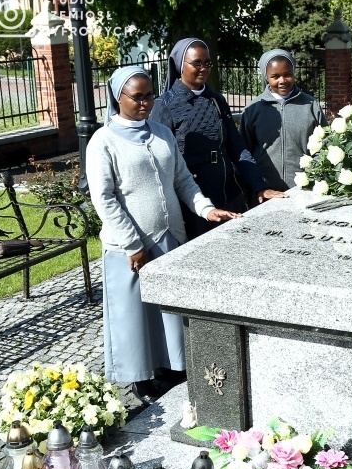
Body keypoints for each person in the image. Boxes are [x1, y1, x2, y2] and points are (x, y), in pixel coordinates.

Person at [86, 66, 240, 404]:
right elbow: (105, 197)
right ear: (117, 98)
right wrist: (132, 244)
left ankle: (174, 369)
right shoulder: (104, 141)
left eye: (149, 96)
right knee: (135, 315)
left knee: (170, 310)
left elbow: (182, 179)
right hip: (131, 245)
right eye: (137, 97)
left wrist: (206, 209)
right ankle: (141, 379)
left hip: (170, 234)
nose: (145, 103)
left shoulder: (161, 132)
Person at [149, 38, 287, 239]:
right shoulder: (164, 105)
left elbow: (237, 147)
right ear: (180, 65)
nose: (203, 68)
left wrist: (260, 185)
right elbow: (163, 162)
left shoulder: (216, 100)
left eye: (207, 63)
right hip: (194, 201)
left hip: (229, 193)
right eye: (197, 63)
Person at [239, 48, 327, 192]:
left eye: (287, 74)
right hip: (265, 190)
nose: (282, 81)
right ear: (266, 77)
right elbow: (244, 150)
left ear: (294, 73)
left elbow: (324, 145)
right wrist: (256, 184)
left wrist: (313, 175)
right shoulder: (253, 109)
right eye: (275, 76)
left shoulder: (311, 105)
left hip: (305, 188)